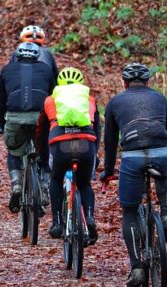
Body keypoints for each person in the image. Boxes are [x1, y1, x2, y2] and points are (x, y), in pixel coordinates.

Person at [99, 63, 167, 287]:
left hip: (132, 156)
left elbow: (110, 143)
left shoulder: (114, 102)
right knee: (164, 170)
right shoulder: (160, 98)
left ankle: (138, 267)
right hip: (162, 151)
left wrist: (109, 171)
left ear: (123, 82)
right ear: (148, 82)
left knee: (129, 210)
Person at [37, 67, 100, 244]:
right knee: (85, 184)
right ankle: (89, 217)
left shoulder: (50, 100)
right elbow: (96, 130)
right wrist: (96, 153)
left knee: (56, 179)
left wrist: (42, 156)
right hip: (86, 144)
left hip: (60, 145)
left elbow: (41, 131)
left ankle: (57, 222)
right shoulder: (89, 100)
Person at [0, 42, 56, 213]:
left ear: (17, 56)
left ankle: (16, 184)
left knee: (14, 151)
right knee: (44, 150)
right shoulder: (46, 69)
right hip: (40, 118)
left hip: (15, 117)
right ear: (37, 56)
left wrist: (2, 123)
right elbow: (54, 96)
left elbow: (1, 100)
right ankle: (44, 186)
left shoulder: (7, 70)